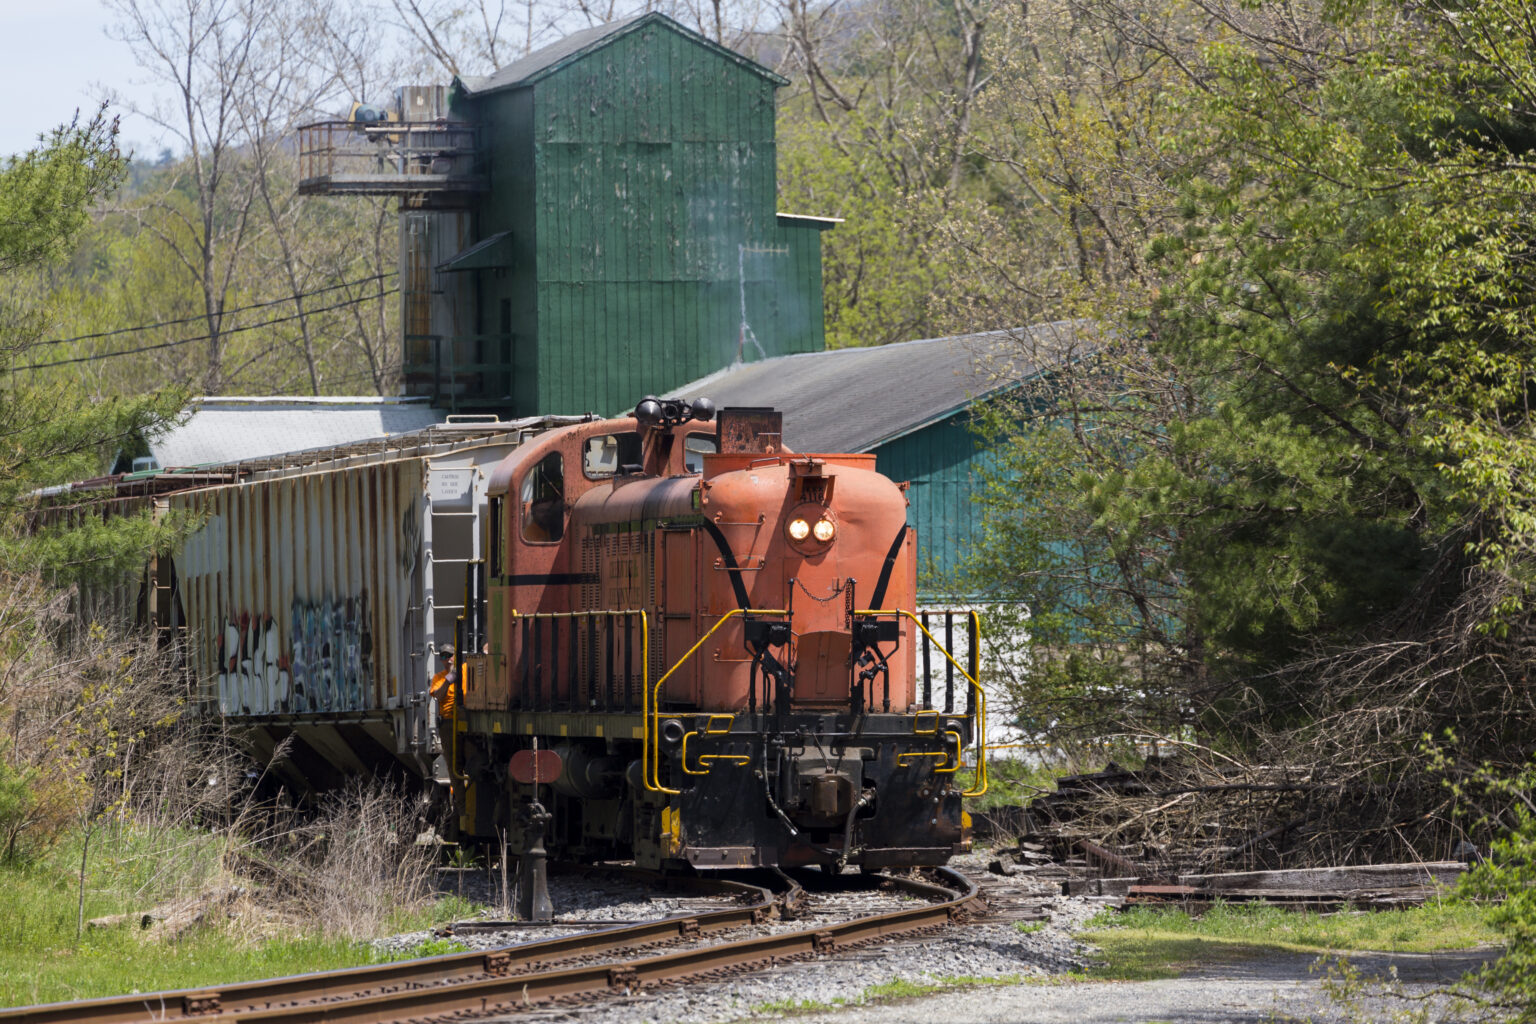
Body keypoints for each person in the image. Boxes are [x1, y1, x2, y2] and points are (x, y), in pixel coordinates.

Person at [430, 644, 457, 720]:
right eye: (444, 657)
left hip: (465, 718)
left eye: (450, 655)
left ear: (455, 656)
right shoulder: (438, 677)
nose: (448, 659)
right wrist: (448, 680)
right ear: (441, 660)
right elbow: (438, 696)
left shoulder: (465, 669)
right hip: (448, 720)